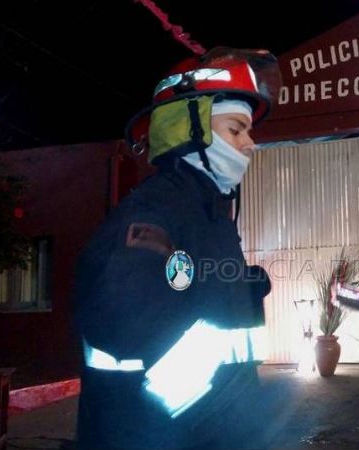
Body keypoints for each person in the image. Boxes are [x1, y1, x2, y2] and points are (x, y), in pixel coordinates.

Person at [72, 47, 281, 450]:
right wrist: (226, 414)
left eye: (249, 132)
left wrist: (240, 289)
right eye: (236, 130)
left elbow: (185, 298)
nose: (250, 144)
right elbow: (121, 328)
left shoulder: (209, 212)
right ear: (191, 128)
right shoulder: (155, 211)